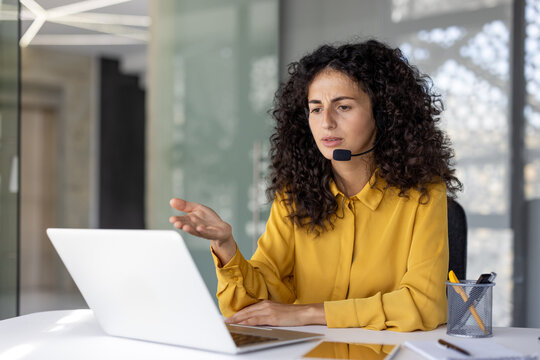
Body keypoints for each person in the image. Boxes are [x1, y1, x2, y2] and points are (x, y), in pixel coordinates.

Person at [169, 39, 462, 331]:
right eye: (316, 108)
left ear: (383, 115)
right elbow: (252, 307)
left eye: (343, 107)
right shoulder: (294, 194)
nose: (327, 123)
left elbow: (425, 304)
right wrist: (226, 247)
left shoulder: (423, 193)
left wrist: (308, 313)